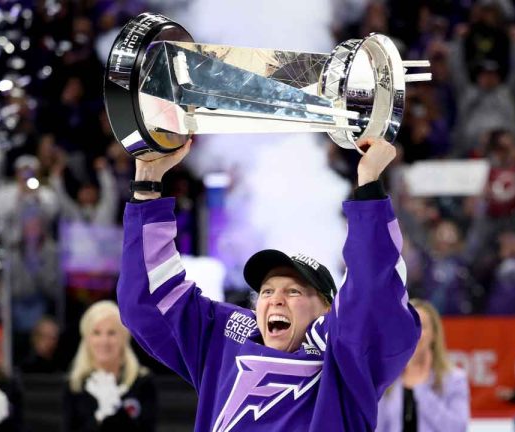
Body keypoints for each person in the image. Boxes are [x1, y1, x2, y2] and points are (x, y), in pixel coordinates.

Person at [117, 137, 421, 431]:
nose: (276, 300)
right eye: (266, 291)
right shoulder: (224, 341)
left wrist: (368, 185)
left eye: (293, 291)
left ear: (328, 308)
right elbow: (150, 298)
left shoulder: (343, 361)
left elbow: (373, 296)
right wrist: (147, 181)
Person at [376, 299, 469, 432]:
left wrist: (422, 389)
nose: (415, 332)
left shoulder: (454, 379)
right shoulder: (388, 380)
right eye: (409, 325)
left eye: (422, 325)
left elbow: (458, 428)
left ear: (434, 334)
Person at [63, 300, 158, 431]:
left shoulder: (143, 382)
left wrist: (116, 410)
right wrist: (100, 415)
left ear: (124, 338)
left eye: (112, 333)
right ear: (87, 338)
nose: (104, 341)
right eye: (96, 333)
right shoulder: (75, 384)